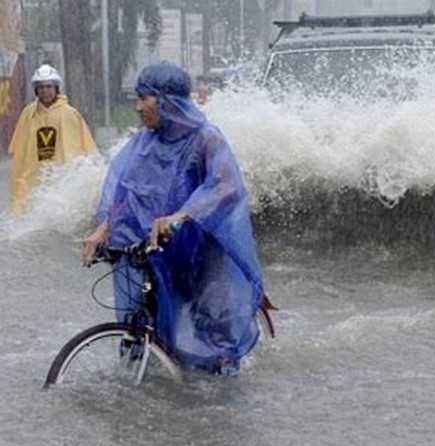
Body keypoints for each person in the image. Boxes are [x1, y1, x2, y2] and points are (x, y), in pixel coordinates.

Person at [82, 61, 265, 376]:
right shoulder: (143, 142)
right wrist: (102, 230)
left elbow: (226, 186)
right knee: (144, 323)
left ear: (167, 101)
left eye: (145, 98)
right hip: (158, 246)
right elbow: (126, 196)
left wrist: (182, 215)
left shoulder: (205, 138)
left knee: (211, 330)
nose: (138, 107)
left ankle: (222, 398)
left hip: (199, 249)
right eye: (137, 99)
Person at [7, 64, 98, 213]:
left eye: (49, 86)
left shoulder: (70, 114)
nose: (45, 91)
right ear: (36, 89)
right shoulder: (28, 113)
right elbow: (20, 149)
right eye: (41, 87)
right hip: (34, 176)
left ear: (56, 88)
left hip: (60, 177)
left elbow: (83, 149)